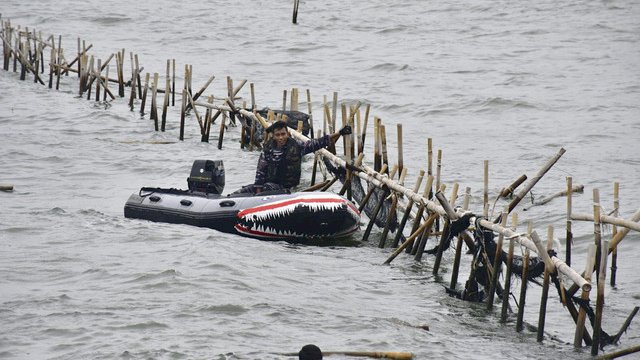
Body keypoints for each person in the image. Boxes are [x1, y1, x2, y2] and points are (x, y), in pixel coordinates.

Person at [234, 120, 351, 194]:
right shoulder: (267, 150)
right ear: (273, 136)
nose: (280, 138)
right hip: (268, 185)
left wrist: (339, 133)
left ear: (288, 134)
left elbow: (317, 143)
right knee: (243, 190)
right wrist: (257, 191)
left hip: (285, 187)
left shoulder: (297, 146)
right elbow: (260, 172)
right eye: (277, 135)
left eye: (283, 134)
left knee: (265, 189)